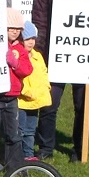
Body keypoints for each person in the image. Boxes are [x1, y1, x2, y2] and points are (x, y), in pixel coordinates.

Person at [31, 0, 89, 162]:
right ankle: (45, 147)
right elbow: (39, 22)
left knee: (82, 105)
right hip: (54, 54)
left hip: (82, 56)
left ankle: (79, 149)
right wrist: (40, 55)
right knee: (50, 104)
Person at [0, 7, 32, 166]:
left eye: (18, 29)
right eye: (11, 28)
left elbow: (27, 70)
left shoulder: (20, 49)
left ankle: (14, 167)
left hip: (12, 98)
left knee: (14, 135)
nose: (14, 31)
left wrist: (15, 63)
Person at [18, 21, 51, 161]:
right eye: (27, 39)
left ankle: (29, 156)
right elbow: (17, 79)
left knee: (30, 131)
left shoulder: (37, 56)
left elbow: (44, 73)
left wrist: (46, 87)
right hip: (22, 101)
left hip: (35, 101)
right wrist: (27, 92)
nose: (31, 42)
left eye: (33, 39)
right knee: (20, 131)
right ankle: (18, 157)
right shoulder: (18, 56)